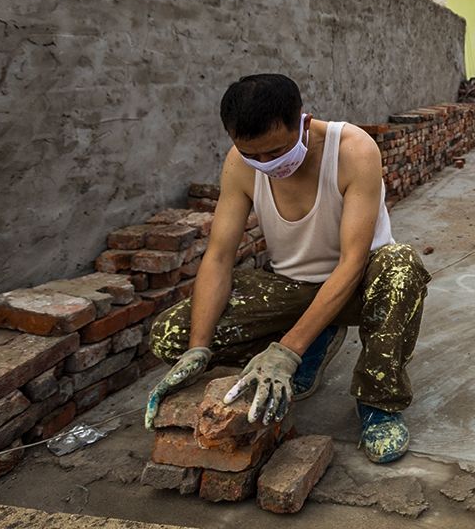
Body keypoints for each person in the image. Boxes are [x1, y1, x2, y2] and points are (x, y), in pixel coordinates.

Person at [143, 74, 430, 464]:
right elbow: (220, 256)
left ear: (304, 123)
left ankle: (379, 403)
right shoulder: (239, 165)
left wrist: (286, 352)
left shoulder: (352, 150)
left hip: (358, 286)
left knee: (401, 266)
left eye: (276, 151)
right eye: (253, 155)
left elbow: (352, 261)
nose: (267, 164)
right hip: (291, 288)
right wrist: (198, 348)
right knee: (170, 336)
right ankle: (315, 338)